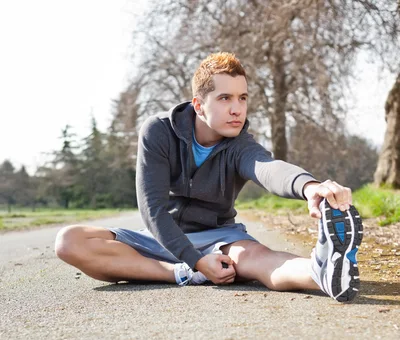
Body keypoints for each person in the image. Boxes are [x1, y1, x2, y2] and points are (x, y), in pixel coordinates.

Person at [55, 52, 363, 302]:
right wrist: (194, 263)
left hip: (219, 237)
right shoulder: (159, 131)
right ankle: (179, 274)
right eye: (225, 98)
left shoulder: (240, 144)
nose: (237, 109)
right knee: (70, 241)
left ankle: (323, 270)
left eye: (243, 98)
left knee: (257, 258)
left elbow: (267, 168)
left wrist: (309, 186)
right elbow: (153, 210)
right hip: (161, 237)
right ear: (199, 105)